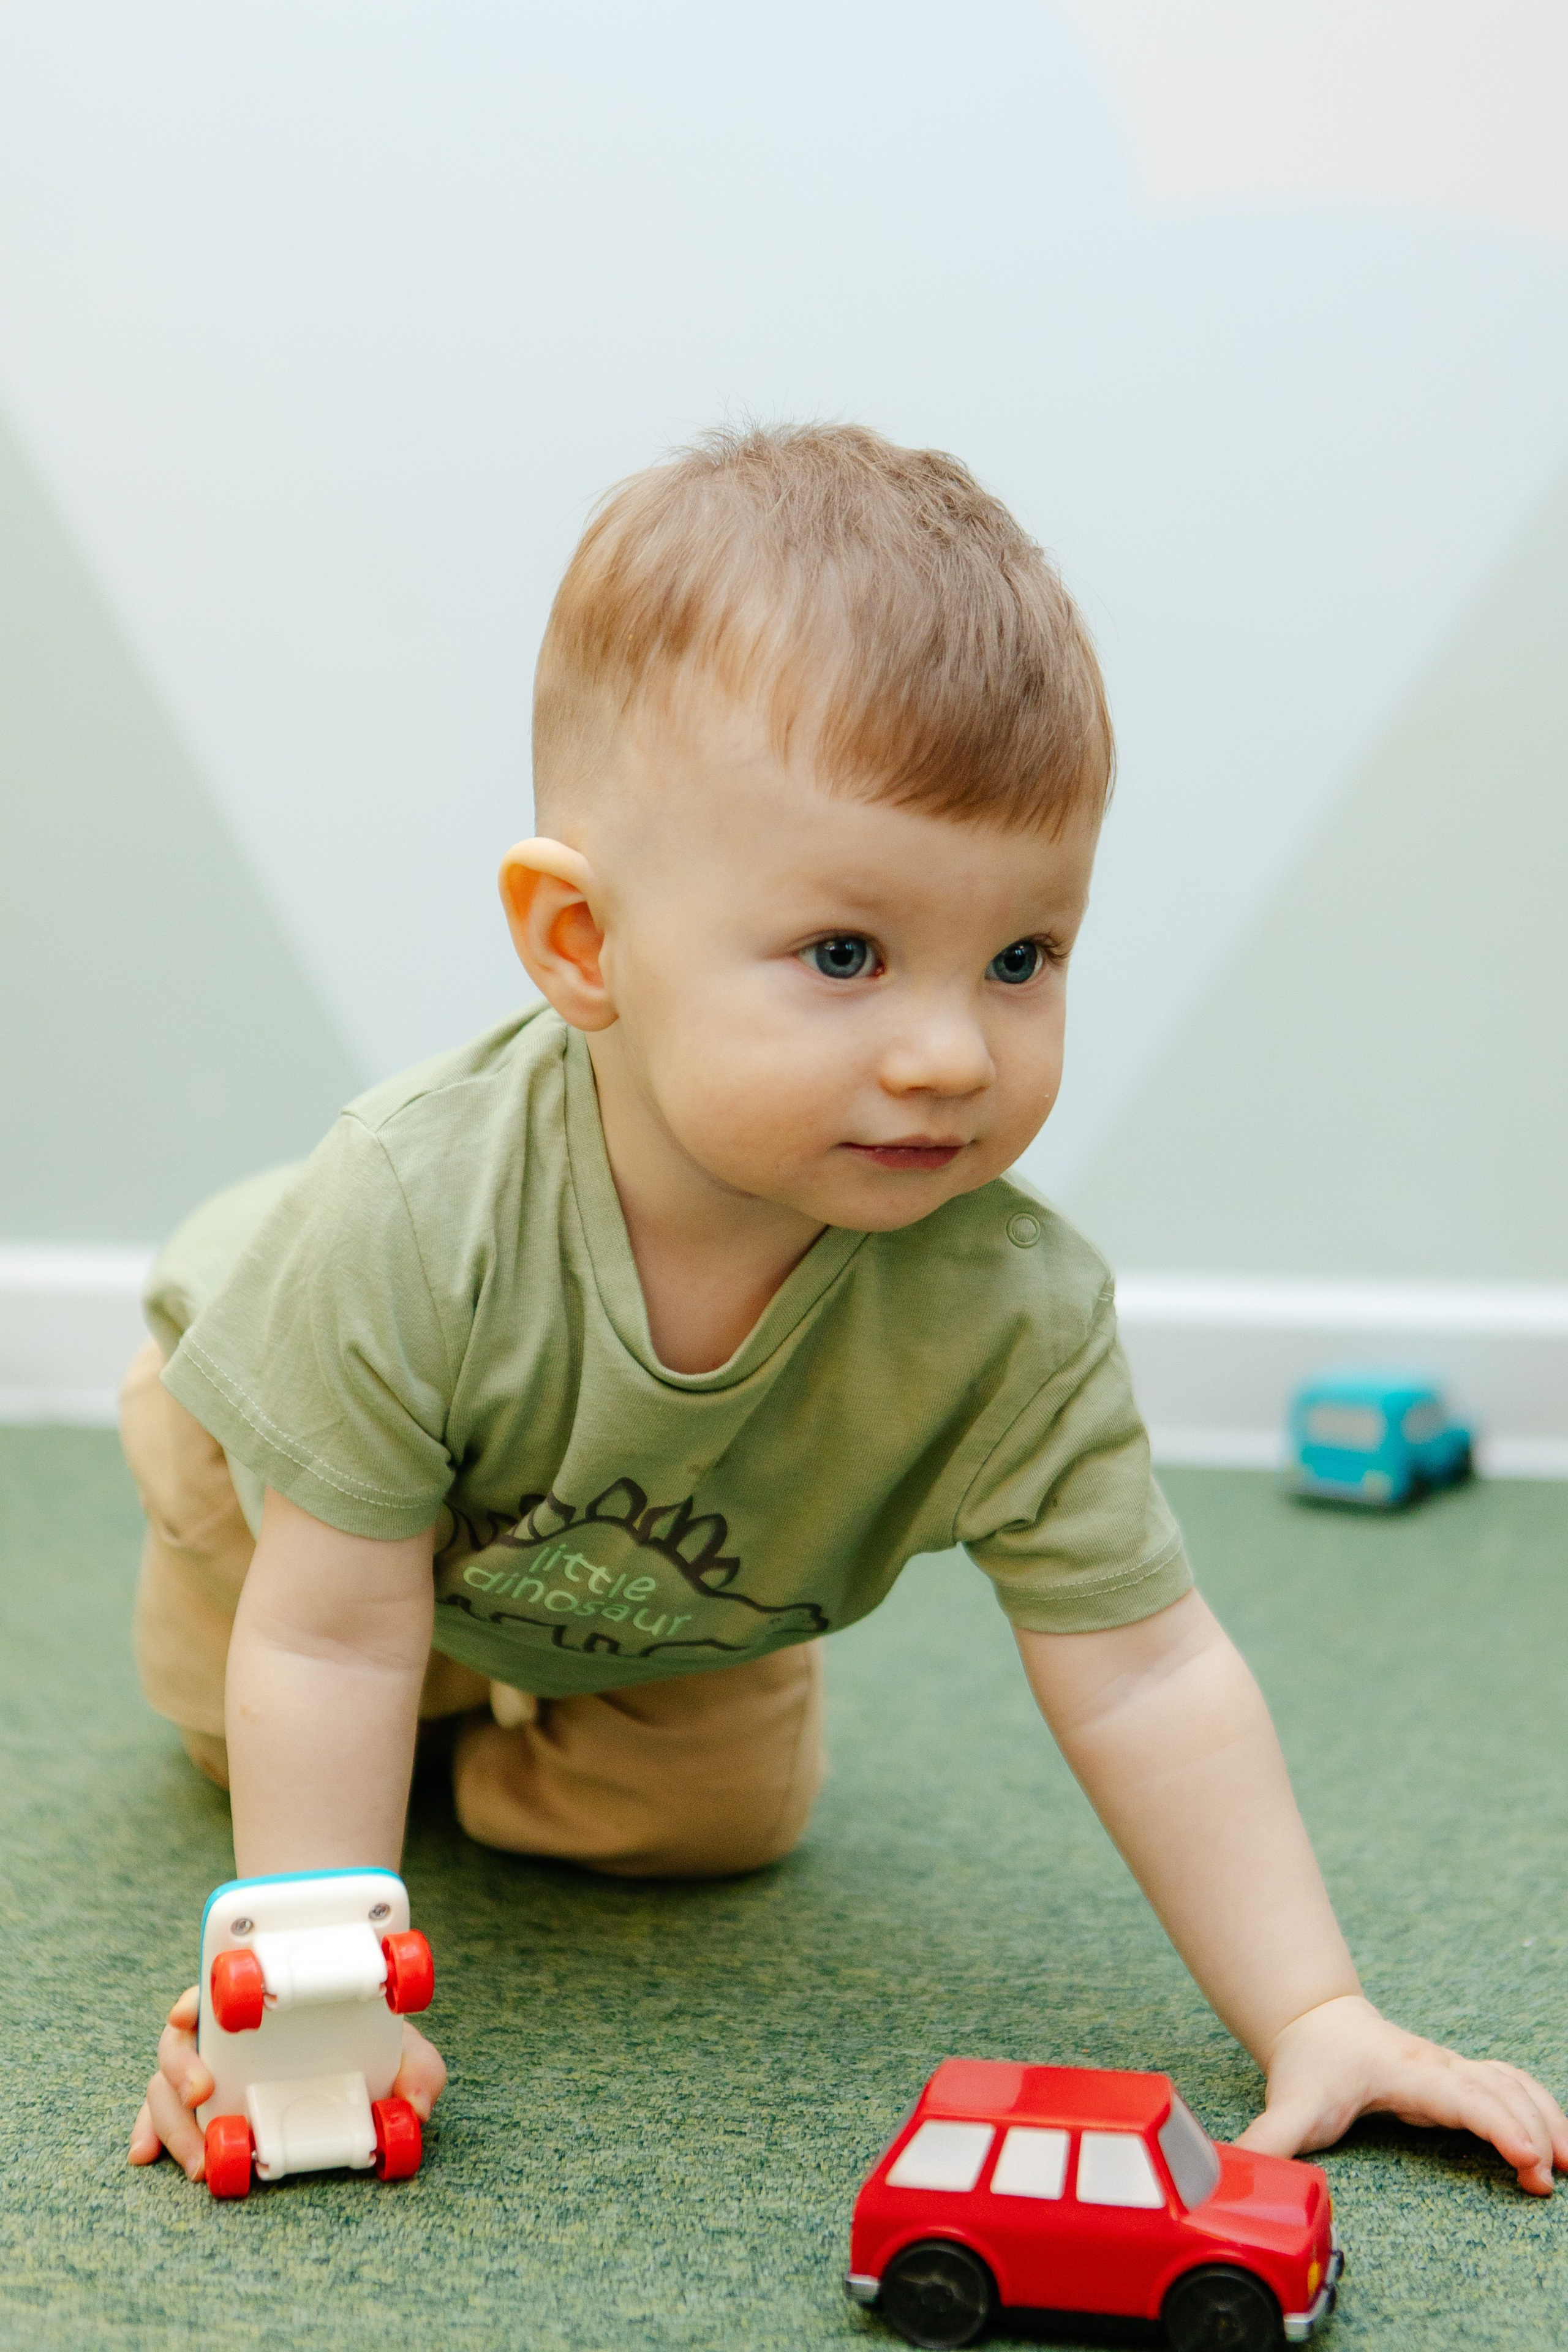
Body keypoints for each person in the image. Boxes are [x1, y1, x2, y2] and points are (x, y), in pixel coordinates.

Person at [126, 423, 1567, 2194]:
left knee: (718, 1829)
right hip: (274, 1468)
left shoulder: (1008, 1315)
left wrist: (1317, 2008)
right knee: (276, 1722)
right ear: (585, 945)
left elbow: (1149, 1669)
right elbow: (330, 1633)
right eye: (843, 956)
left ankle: (493, 1717)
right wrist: (311, 1998)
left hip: (656, 1573)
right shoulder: (417, 1208)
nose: (952, 1051)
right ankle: (428, 1719)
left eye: (1024, 956)